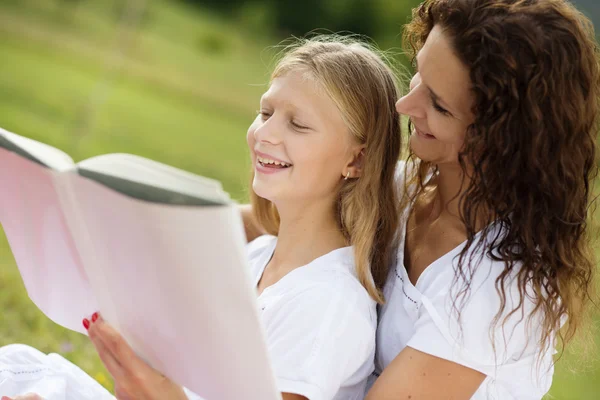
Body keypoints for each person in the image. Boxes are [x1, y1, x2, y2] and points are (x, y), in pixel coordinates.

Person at [0, 35, 402, 400]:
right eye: (265, 113)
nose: (265, 134)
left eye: (297, 124)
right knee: (16, 366)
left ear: (357, 159)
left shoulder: (330, 303)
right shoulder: (258, 255)